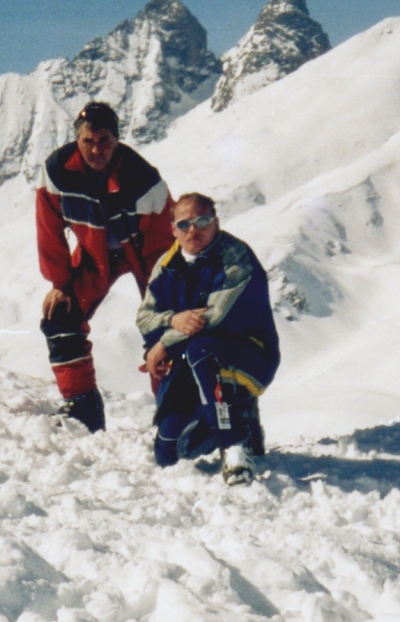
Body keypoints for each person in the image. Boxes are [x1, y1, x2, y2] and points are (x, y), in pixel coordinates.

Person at [37, 101, 174, 432]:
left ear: (117, 141)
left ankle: (174, 414)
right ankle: (83, 407)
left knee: (165, 329)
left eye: (104, 142)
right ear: (76, 139)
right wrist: (60, 283)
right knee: (61, 315)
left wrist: (166, 294)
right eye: (88, 141)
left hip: (147, 254)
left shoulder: (144, 180)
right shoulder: (57, 171)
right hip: (96, 254)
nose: (96, 150)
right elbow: (48, 229)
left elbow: (164, 242)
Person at [137, 193, 280, 483]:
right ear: (173, 229)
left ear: (216, 222)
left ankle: (235, 447)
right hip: (189, 362)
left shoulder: (235, 257)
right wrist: (172, 320)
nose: (194, 229)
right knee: (170, 451)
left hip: (249, 356)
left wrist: (164, 342)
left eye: (202, 220)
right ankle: (239, 413)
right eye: (184, 223)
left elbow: (214, 316)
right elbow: (145, 318)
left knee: (203, 349)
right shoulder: (167, 265)